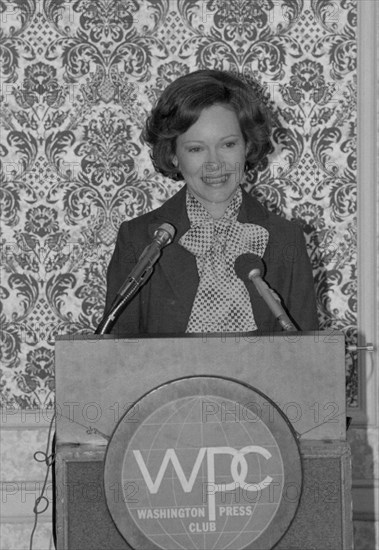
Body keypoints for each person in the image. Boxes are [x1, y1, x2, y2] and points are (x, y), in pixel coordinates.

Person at [104, 69, 319, 335]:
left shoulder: (287, 239)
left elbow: (307, 364)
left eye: (228, 145)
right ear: (173, 155)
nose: (214, 164)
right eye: (196, 149)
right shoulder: (137, 240)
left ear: (248, 146)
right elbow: (117, 361)